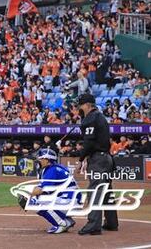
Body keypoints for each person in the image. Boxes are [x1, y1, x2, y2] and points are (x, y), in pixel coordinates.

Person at [76, 93, 118, 235]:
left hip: (98, 160)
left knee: (95, 191)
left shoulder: (91, 118)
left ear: (88, 105)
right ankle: (111, 223)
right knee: (106, 191)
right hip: (107, 158)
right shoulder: (99, 117)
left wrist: (80, 159)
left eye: (81, 105)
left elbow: (88, 142)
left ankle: (93, 225)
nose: (79, 108)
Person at [29, 148, 78, 234]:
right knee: (42, 197)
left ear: (47, 160)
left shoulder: (52, 170)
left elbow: (40, 190)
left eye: (41, 159)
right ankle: (67, 221)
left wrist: (28, 195)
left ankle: (61, 224)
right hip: (72, 200)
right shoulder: (57, 167)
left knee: (34, 202)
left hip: (69, 201)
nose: (39, 161)